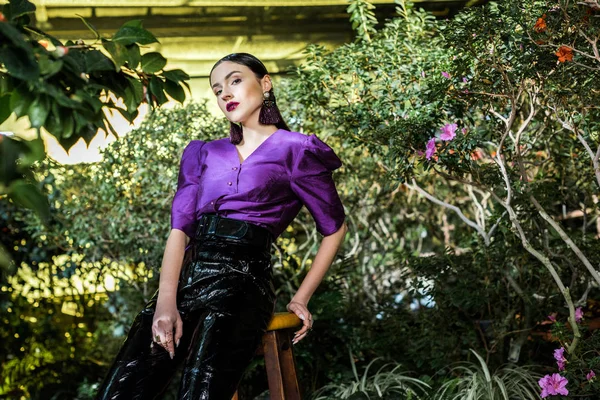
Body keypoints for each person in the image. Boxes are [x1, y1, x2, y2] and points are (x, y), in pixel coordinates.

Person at [95, 52, 348, 400]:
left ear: (265, 83)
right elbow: (179, 229)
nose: (225, 93)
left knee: (201, 391)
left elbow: (334, 228)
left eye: (235, 80)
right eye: (217, 89)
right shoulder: (203, 153)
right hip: (187, 279)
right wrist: (166, 303)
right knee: (120, 390)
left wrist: (301, 298)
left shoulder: (298, 150)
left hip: (243, 282)